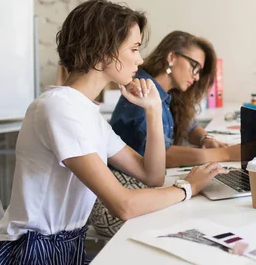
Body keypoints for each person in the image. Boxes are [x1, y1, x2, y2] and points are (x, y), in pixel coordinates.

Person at [0, 0, 226, 265]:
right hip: (29, 255)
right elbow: (123, 205)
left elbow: (152, 175)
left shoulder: (86, 112)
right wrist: (188, 187)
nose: (140, 58)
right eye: (133, 48)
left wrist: (153, 109)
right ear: (103, 50)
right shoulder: (59, 108)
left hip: (66, 250)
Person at [90, 30, 239, 237]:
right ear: (171, 57)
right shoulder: (143, 90)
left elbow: (187, 126)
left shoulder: (165, 93)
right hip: (123, 190)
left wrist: (204, 137)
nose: (196, 77)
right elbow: (161, 156)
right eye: (194, 67)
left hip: (140, 185)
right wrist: (226, 154)